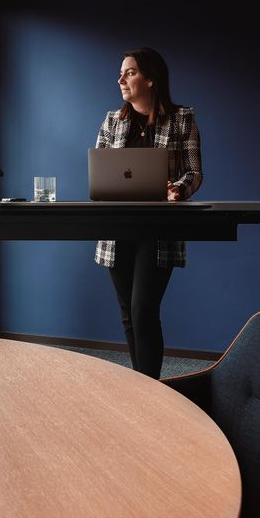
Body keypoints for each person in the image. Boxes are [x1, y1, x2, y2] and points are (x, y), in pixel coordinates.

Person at [93, 47, 202, 378]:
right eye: (121, 73)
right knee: (128, 312)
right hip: (117, 228)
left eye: (130, 72)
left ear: (151, 78)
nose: (121, 79)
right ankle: (142, 386)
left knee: (144, 310)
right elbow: (99, 169)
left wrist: (178, 189)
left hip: (158, 229)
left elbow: (193, 172)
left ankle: (151, 389)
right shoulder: (112, 121)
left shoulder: (182, 119)